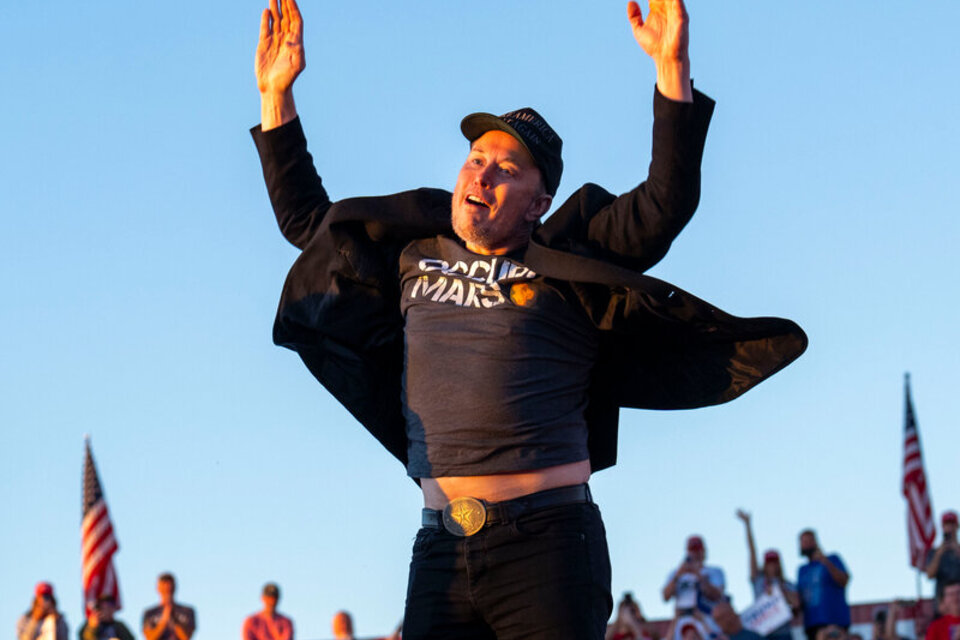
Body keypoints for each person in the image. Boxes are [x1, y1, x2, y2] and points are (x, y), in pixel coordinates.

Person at [251, 0, 806, 637]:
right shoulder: (413, 249)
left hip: (547, 545)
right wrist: (276, 96)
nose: (481, 174)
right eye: (475, 159)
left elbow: (664, 204)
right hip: (440, 547)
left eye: (506, 169)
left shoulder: (568, 254)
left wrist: (671, 67)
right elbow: (310, 226)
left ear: (539, 202)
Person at [735, 510, 800, 640]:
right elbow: (752, 552)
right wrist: (748, 525)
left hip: (783, 633)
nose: (772, 565)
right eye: (769, 562)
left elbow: (797, 604)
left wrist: (781, 591)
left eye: (775, 562)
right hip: (762, 633)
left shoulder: (788, 584)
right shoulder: (759, 581)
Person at [662, 535, 726, 635]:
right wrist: (678, 575)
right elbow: (665, 596)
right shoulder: (676, 573)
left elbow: (717, 595)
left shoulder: (714, 571)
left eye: (698, 549)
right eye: (692, 550)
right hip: (682, 622)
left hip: (707, 621)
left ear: (704, 551)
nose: (695, 554)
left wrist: (697, 574)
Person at [796, 529, 850, 640]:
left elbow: (844, 580)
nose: (806, 544)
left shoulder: (833, 559)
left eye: (808, 540)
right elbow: (799, 599)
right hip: (812, 625)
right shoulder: (802, 570)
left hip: (835, 621)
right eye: (803, 542)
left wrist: (825, 561)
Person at [142, 573, 196, 640]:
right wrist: (164, 620)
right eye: (164, 587)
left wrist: (173, 618)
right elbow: (149, 638)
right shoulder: (149, 613)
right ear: (158, 588)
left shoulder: (187, 611)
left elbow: (186, 637)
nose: (167, 590)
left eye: (169, 587)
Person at [927, 512, 960, 611]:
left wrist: (957, 550)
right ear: (942, 527)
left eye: (952, 524)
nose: (950, 528)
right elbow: (930, 574)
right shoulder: (935, 552)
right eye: (947, 524)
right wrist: (939, 553)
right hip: (942, 606)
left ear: (957, 526)